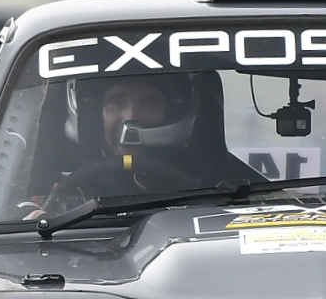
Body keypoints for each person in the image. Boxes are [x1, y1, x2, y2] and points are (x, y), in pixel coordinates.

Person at [24, 72, 258, 217]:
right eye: (116, 103)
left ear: (172, 113)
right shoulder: (55, 187)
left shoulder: (219, 182)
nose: (130, 117)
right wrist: (35, 219)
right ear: (95, 114)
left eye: (149, 102)